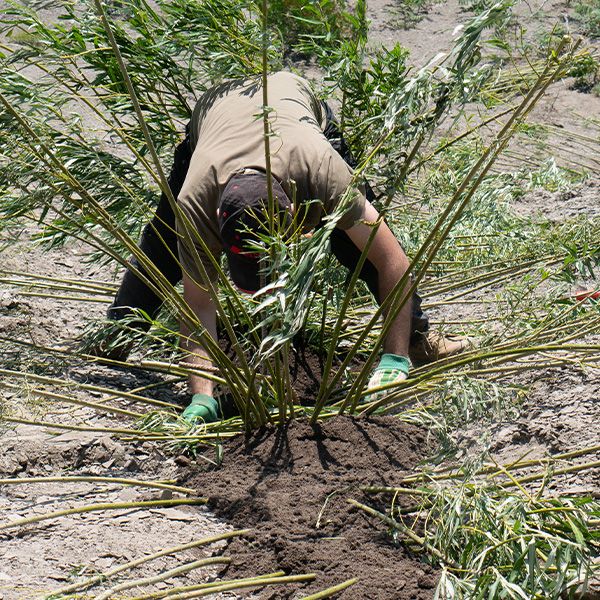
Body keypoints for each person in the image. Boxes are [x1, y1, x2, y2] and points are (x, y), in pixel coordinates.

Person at [105, 71, 467, 421]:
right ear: (217, 215)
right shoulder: (196, 200)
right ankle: (117, 333)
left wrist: (394, 358)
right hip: (216, 119)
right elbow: (199, 307)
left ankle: (414, 339)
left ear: (295, 210)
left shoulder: (323, 172)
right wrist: (203, 395)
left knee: (357, 247)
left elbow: (392, 260)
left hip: (295, 116)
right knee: (165, 246)